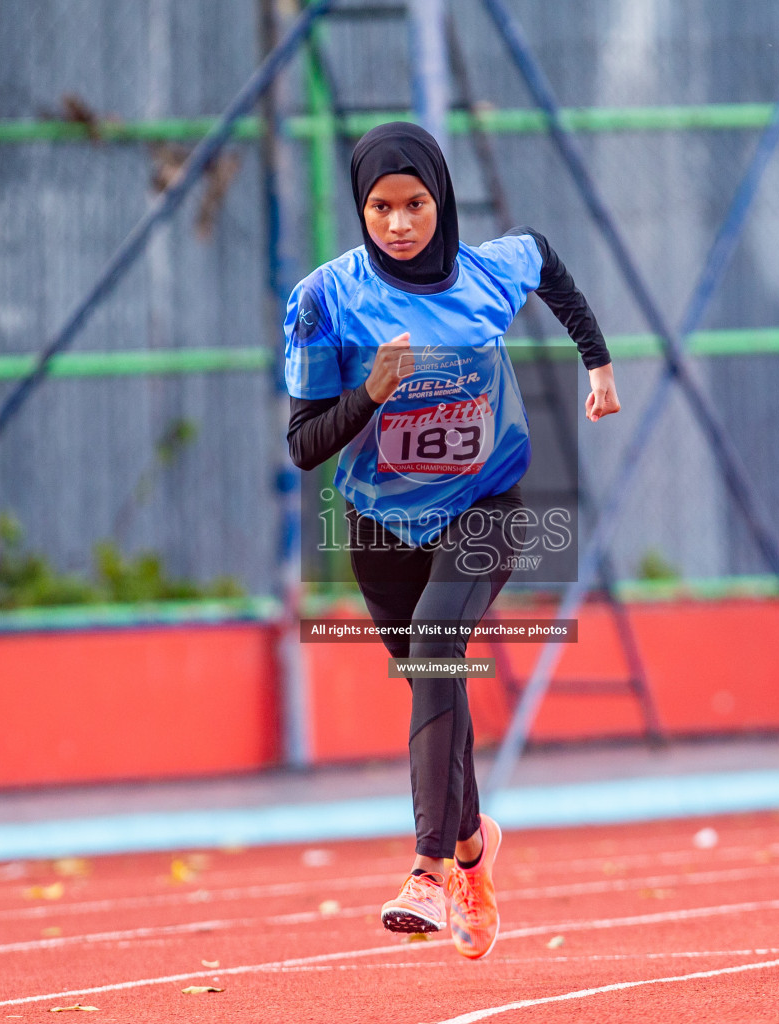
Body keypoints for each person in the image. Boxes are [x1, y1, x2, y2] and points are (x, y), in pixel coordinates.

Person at [284, 122, 619, 959]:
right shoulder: (325, 300)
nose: (399, 223)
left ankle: (429, 872)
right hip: (379, 523)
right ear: (361, 210)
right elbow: (302, 446)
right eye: (380, 207)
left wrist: (599, 364)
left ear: (442, 199)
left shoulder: (487, 273)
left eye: (416, 204)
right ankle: (475, 849)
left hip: (488, 504)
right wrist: (368, 394)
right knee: (435, 682)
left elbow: (544, 258)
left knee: (437, 648)